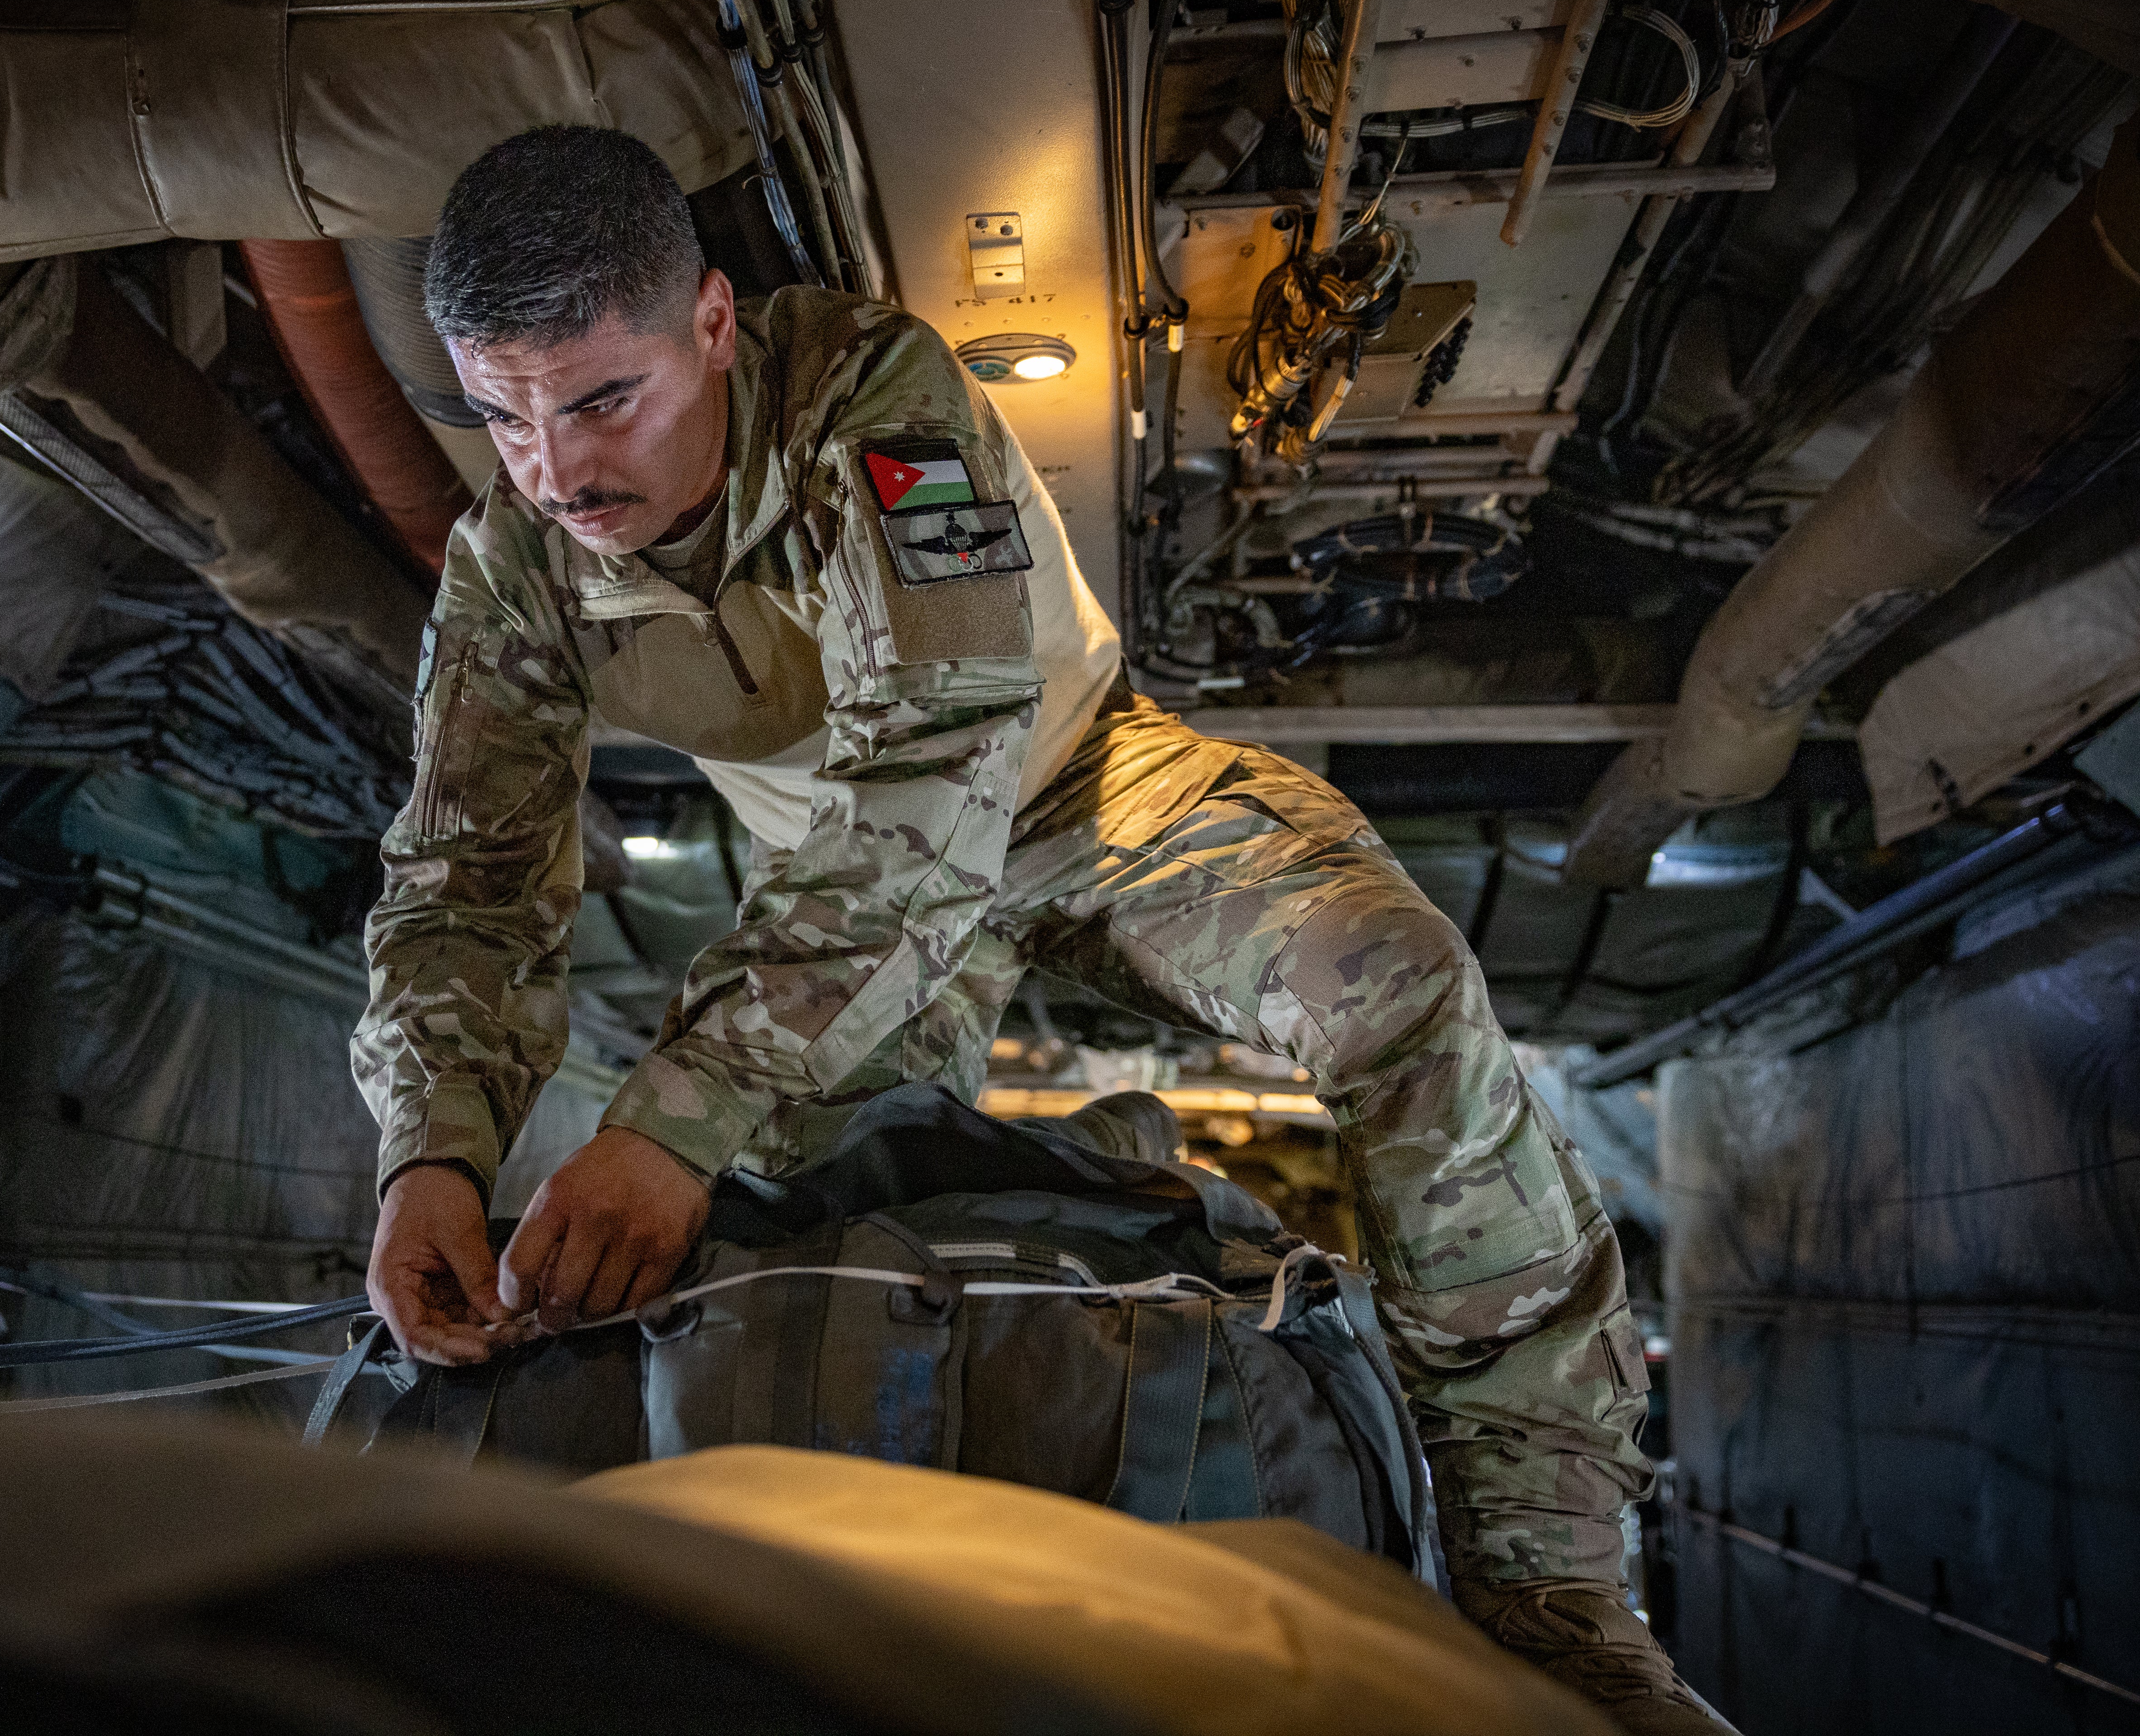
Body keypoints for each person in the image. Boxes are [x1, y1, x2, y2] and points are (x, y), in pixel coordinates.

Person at [352, 126, 1723, 1731]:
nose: (558, 471)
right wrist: (432, 1154)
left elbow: (939, 767)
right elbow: (467, 878)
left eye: (602, 399)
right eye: (503, 416)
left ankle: (1548, 1590)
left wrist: (678, 1115)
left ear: (713, 325)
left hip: (1069, 795)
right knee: (801, 1231)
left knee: (1394, 987)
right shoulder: (517, 565)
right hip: (836, 895)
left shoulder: (876, 408)